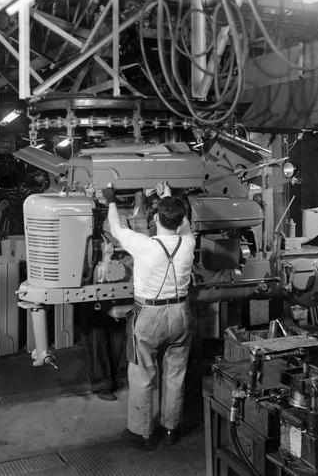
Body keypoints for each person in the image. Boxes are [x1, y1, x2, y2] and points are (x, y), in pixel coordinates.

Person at [103, 181, 195, 450]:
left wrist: (110, 199)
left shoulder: (144, 244)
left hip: (150, 315)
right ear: (179, 221)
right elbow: (185, 222)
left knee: (143, 374)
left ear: (155, 218)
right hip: (181, 313)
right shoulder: (188, 242)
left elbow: (118, 228)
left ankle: (142, 433)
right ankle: (170, 430)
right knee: (176, 374)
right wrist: (168, 196)